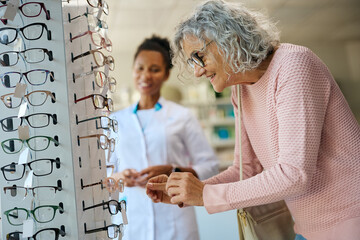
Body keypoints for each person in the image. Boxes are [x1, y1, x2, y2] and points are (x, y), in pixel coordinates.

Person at [145, 1, 360, 240]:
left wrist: (204, 194)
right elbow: (245, 170)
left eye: (199, 56)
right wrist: (188, 191)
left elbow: (294, 174)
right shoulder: (240, 90)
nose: (197, 71)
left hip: (349, 222)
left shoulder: (294, 65)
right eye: (193, 62)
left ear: (231, 41)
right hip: (306, 229)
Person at [108, 35, 219, 240]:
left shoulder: (182, 116)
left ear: (166, 74)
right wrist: (120, 178)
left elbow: (210, 167)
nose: (145, 76)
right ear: (133, 70)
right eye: (140, 68)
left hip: (175, 221)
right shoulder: (116, 121)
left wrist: (173, 171)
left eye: (155, 69)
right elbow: (106, 176)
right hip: (133, 223)